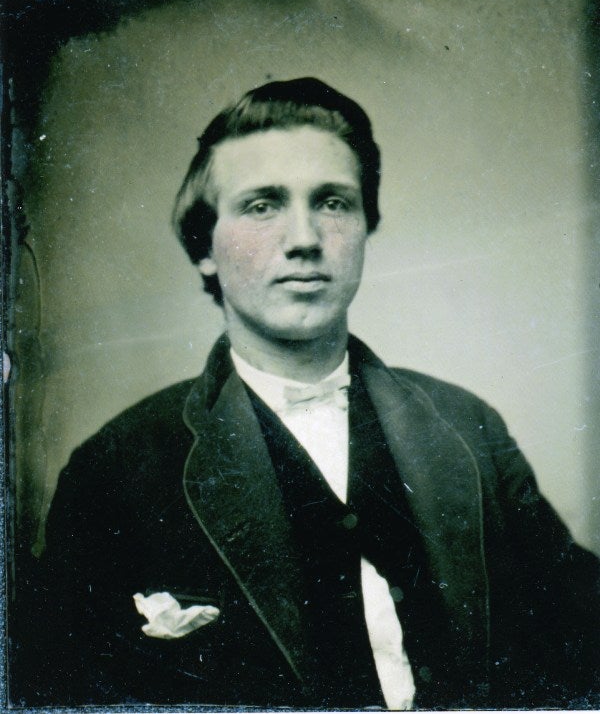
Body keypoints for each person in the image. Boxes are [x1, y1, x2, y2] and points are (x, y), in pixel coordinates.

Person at [14, 78, 599, 709]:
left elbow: (578, 640)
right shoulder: (114, 471)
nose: (305, 239)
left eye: (333, 202)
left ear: (366, 228)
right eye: (262, 205)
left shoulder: (468, 426)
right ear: (204, 246)